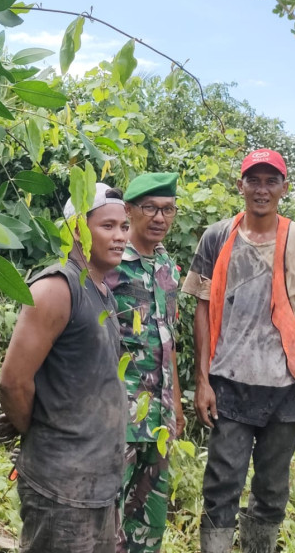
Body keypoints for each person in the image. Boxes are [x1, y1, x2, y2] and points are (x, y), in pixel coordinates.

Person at [181, 149, 295, 553]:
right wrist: (202, 381)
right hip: (229, 384)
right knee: (221, 486)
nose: (261, 189)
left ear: (284, 188)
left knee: (270, 491)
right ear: (241, 185)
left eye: (271, 181)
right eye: (254, 180)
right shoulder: (217, 237)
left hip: (286, 388)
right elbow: (201, 307)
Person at [0, 183, 130, 553]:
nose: (120, 236)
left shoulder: (101, 290)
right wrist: (45, 434)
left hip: (97, 486)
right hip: (60, 487)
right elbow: (13, 384)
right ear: (77, 229)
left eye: (124, 226)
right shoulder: (57, 288)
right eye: (108, 226)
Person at [104, 172, 185, 553]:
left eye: (167, 209)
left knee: (148, 524)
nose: (159, 218)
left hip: (160, 421)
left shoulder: (170, 269)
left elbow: (169, 343)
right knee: (105, 518)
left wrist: (178, 407)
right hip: (116, 415)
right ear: (130, 210)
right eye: (150, 208)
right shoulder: (110, 264)